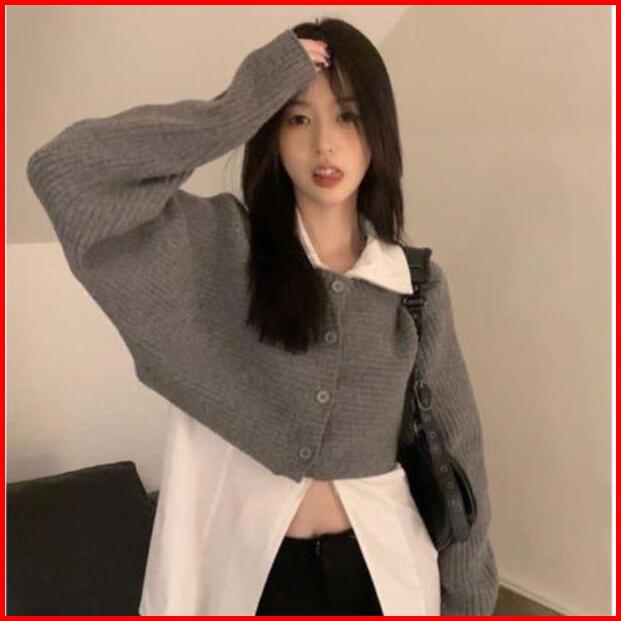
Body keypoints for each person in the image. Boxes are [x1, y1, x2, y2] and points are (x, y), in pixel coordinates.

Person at [26, 17, 499, 616]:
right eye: (298, 118)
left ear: (378, 131)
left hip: (385, 579)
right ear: (271, 132)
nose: (324, 144)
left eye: (348, 117)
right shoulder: (217, 252)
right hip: (249, 582)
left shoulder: (415, 287)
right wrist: (238, 107)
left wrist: (469, 603)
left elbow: (459, 453)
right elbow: (65, 174)